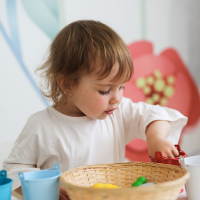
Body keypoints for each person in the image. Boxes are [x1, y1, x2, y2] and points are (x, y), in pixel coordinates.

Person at [3, 20, 187, 200]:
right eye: (105, 90)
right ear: (68, 84)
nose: (117, 98)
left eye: (121, 87)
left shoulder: (117, 112)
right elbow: (12, 172)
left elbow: (157, 115)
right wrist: (49, 188)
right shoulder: (41, 125)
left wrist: (155, 137)